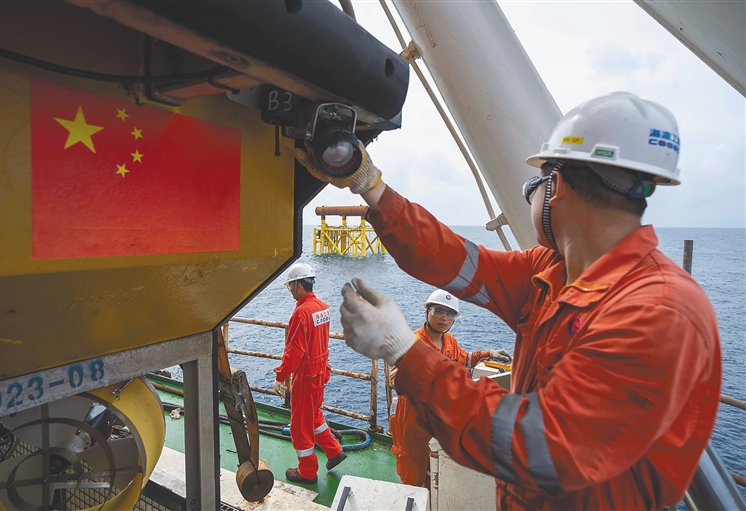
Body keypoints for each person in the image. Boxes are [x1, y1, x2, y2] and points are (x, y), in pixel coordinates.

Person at [296, 92, 721, 509]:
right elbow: (452, 257)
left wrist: (404, 352)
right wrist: (368, 184)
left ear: (556, 186)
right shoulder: (551, 272)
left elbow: (542, 447)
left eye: (535, 185)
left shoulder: (658, 311)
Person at [389, 289, 511, 487]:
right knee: (413, 470)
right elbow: (394, 378)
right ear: (427, 311)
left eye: (450, 313)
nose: (444, 318)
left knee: (436, 468)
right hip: (413, 419)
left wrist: (488, 354)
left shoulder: (449, 341)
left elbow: (463, 359)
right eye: (438, 311)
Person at [273, 262, 347, 484]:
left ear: (298, 285)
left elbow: (294, 351)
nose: (290, 291)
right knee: (313, 415)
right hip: (321, 372)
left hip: (306, 377)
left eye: (291, 286)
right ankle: (334, 451)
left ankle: (307, 471)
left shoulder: (301, 313)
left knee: (300, 426)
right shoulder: (323, 307)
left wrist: (280, 376)